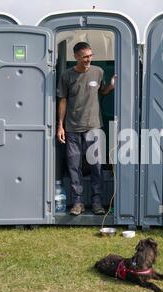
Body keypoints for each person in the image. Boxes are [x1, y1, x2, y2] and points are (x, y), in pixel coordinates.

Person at [56, 42, 116, 216]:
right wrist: (61, 125)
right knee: (74, 166)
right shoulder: (67, 76)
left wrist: (111, 86)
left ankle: (97, 203)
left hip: (94, 127)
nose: (89, 59)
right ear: (76, 57)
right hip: (72, 128)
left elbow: (102, 92)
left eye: (90, 55)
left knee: (96, 166)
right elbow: (63, 100)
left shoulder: (98, 72)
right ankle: (77, 203)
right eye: (85, 56)